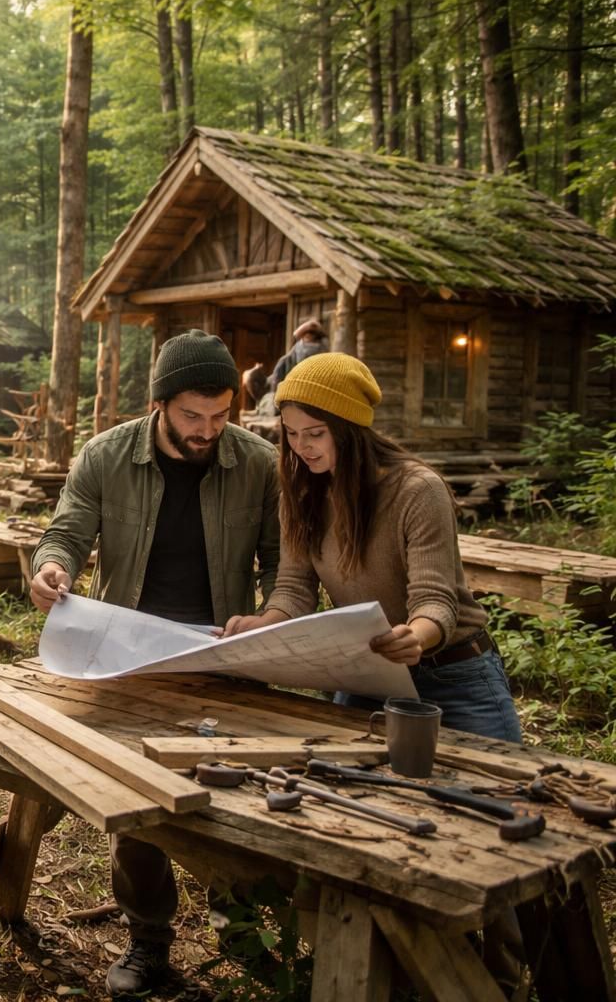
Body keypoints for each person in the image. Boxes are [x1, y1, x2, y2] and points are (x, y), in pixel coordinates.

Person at [28, 329, 280, 995]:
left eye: (222, 415)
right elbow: (69, 526)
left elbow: (287, 561)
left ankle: (243, 927)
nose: (207, 431)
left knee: (239, 798)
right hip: (130, 656)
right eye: (193, 416)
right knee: (137, 809)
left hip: (224, 657)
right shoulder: (106, 455)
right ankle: (149, 942)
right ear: (160, 405)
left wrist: (275, 615)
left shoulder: (258, 462)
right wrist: (50, 566)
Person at [224, 353, 522, 743]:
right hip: (370, 672)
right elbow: (295, 588)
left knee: (498, 787)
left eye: (315, 433)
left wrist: (415, 636)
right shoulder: (300, 493)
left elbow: (436, 600)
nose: (301, 447)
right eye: (292, 434)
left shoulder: (417, 490)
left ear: (349, 428)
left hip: (454, 674)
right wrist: (263, 626)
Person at [270, 318, 327, 393]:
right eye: (307, 334)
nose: (309, 336)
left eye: (312, 334)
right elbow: (276, 385)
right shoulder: (288, 359)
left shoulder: (323, 350)